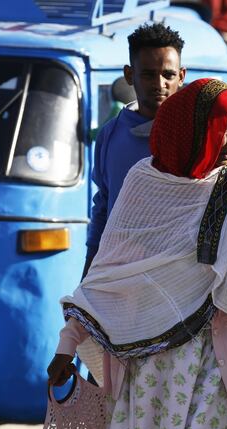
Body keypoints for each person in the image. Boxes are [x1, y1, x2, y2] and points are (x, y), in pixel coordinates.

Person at [47, 78, 227, 429]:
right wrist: (66, 346)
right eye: (225, 128)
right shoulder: (143, 183)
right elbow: (109, 275)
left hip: (214, 360)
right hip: (146, 365)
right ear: (194, 128)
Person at [84, 23, 187, 278]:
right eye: (148, 74)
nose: (159, 83)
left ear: (182, 76)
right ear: (130, 75)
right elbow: (103, 206)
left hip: (179, 275)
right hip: (121, 272)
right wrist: (90, 269)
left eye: (168, 75)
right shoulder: (110, 135)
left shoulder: (195, 135)